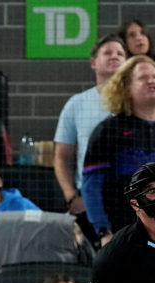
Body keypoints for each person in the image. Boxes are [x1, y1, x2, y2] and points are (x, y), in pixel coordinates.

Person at [81, 56, 155, 245]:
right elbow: (91, 186)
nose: (151, 81)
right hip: (122, 235)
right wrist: (103, 231)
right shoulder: (108, 131)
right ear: (126, 88)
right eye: (142, 78)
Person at [53, 34, 127, 232]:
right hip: (89, 201)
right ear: (94, 63)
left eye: (120, 53)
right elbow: (62, 157)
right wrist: (71, 196)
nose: (115, 56)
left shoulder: (139, 103)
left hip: (131, 202)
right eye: (108, 52)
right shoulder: (76, 104)